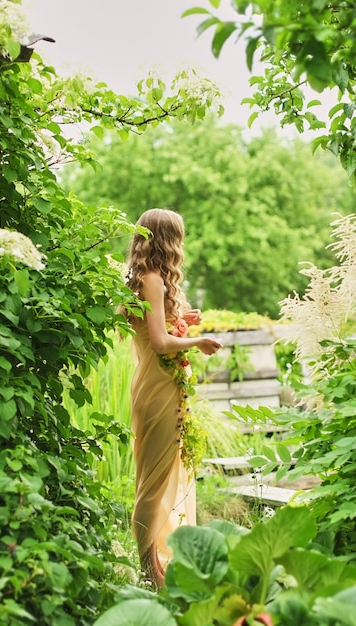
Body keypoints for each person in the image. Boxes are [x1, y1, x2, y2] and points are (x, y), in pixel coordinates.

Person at [125, 208, 222, 588]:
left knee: (157, 477)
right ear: (166, 239)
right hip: (158, 389)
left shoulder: (146, 279)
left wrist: (183, 320)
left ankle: (155, 564)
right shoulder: (151, 280)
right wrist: (196, 341)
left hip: (159, 386)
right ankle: (149, 571)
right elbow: (161, 343)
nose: (181, 244)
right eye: (177, 237)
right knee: (153, 482)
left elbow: (158, 330)